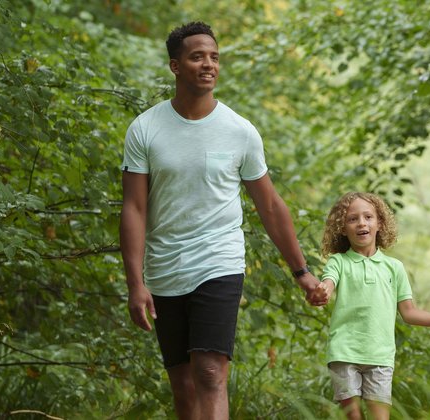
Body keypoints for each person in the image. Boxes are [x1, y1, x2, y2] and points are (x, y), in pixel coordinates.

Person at [119, 21, 325, 419]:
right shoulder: (145, 129)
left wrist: (301, 271)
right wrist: (135, 283)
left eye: (214, 57)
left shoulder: (239, 131)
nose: (208, 64)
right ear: (175, 66)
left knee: (210, 372)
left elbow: (269, 205)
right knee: (183, 385)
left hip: (219, 261)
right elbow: (134, 208)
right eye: (197, 57)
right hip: (164, 267)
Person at [313, 192, 430, 420]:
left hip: (380, 356)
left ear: (379, 223)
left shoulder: (394, 267)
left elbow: (409, 312)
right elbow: (329, 281)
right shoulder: (339, 261)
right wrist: (323, 289)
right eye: (352, 219)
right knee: (353, 416)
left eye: (368, 217)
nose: (361, 223)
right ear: (342, 228)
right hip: (344, 352)